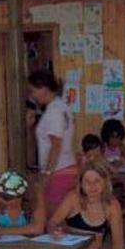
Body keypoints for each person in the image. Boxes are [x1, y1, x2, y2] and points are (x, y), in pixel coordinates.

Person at [29, 70, 77, 211]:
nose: (32, 95)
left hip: (58, 171)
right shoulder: (61, 106)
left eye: (33, 91)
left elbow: (56, 145)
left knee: (51, 216)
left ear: (43, 88)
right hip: (65, 168)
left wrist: (47, 175)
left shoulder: (54, 111)